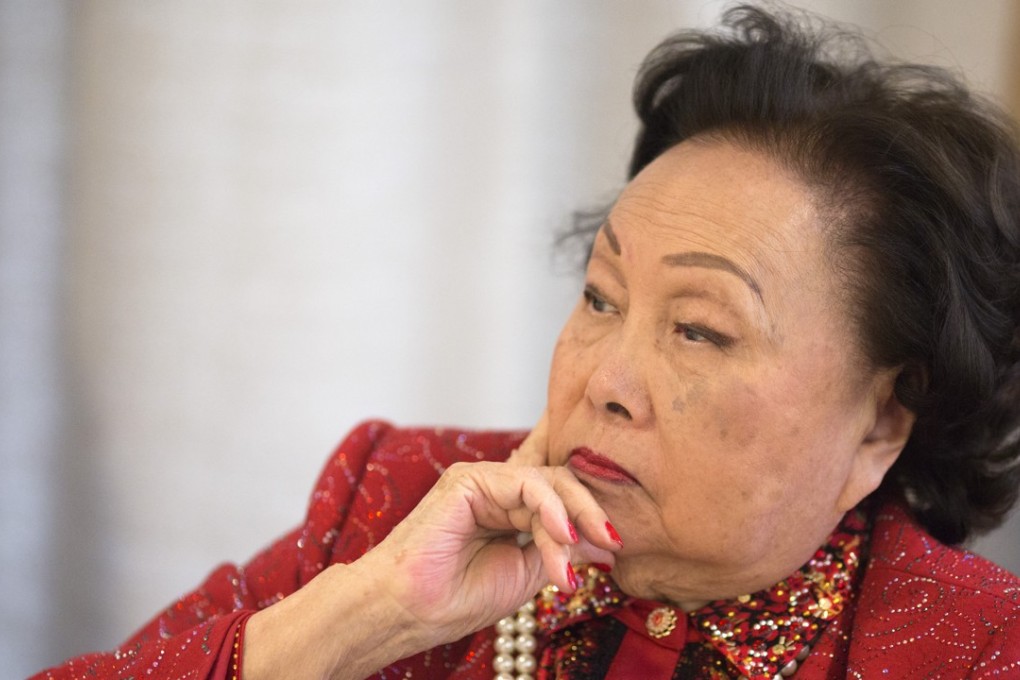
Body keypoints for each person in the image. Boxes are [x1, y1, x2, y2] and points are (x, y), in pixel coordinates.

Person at [33, 5, 1020, 679]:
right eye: (600, 297)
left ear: (884, 418)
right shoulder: (397, 498)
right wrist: (365, 615)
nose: (608, 378)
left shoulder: (976, 648)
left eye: (699, 328)